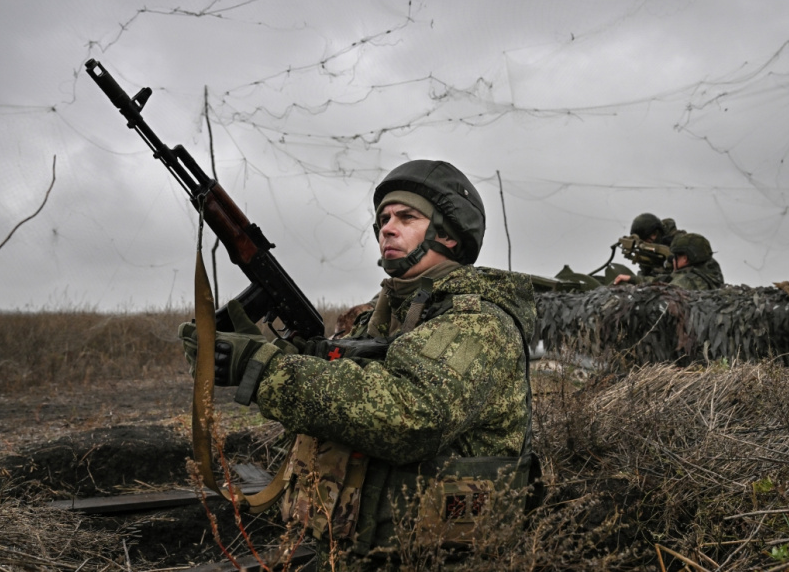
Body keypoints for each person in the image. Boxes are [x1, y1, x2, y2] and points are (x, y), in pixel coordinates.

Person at [180, 160, 538, 568]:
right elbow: (343, 381)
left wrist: (266, 370)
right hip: (358, 552)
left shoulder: (479, 322)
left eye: (407, 217)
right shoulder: (383, 316)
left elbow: (410, 415)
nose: (387, 227)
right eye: (383, 218)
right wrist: (274, 352)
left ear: (449, 236)